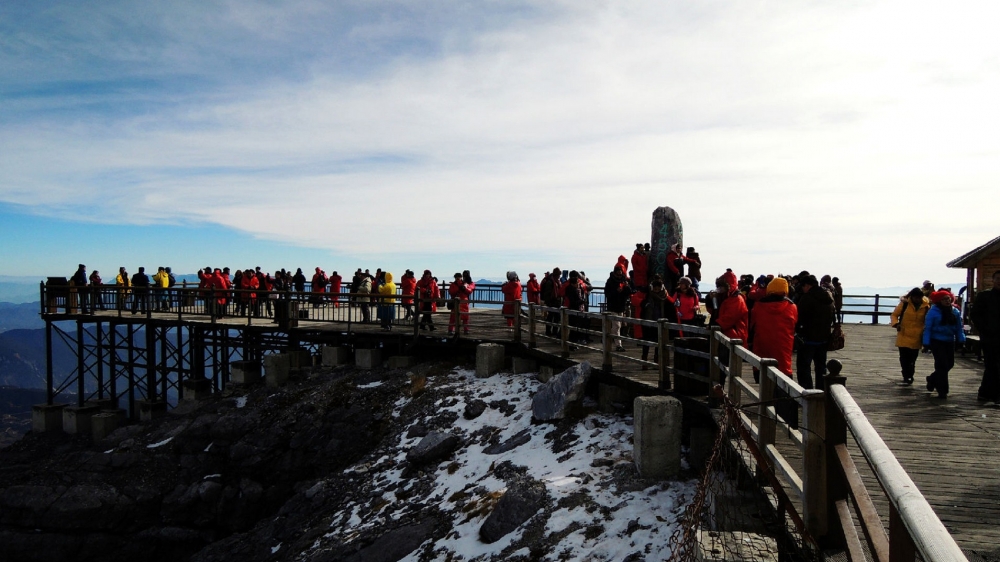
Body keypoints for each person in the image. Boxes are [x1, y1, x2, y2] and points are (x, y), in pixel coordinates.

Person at [749, 277, 797, 380]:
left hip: (762, 345)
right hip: (783, 345)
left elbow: (752, 325)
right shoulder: (791, 307)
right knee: (783, 371)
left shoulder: (758, 306)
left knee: (763, 373)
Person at [794, 275, 835, 390]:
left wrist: (798, 331)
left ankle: (808, 392)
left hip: (807, 339)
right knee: (821, 368)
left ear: (807, 285)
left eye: (803, 286)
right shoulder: (828, 297)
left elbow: (799, 317)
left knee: (803, 367)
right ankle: (821, 392)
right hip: (823, 339)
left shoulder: (807, 298)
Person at [923, 290, 965, 398]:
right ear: (939, 301)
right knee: (942, 365)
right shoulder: (933, 312)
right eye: (944, 299)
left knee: (950, 363)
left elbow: (958, 328)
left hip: (950, 340)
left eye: (948, 298)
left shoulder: (955, 311)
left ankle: (932, 379)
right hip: (936, 340)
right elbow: (928, 328)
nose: (947, 301)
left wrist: (961, 340)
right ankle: (943, 391)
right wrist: (926, 343)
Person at [890, 288, 929, 385]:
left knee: (912, 358)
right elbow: (894, 315)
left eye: (919, 298)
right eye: (915, 297)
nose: (917, 300)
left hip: (917, 335)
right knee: (904, 358)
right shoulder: (905, 304)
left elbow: (928, 319)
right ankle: (906, 376)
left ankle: (910, 375)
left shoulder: (926, 306)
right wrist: (896, 324)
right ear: (912, 297)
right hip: (904, 333)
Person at [972, 270, 1000, 402]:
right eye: (998, 279)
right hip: (990, 337)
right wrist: (984, 329)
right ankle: (986, 392)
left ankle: (992, 393)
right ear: (993, 280)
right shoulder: (985, 296)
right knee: (991, 365)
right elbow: (975, 315)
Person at [640, 275, 677, 364]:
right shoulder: (647, 297)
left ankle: (656, 361)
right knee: (646, 342)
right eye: (655, 287)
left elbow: (671, 310)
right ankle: (644, 360)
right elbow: (642, 307)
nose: (656, 289)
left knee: (659, 343)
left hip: (660, 322)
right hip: (649, 323)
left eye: (658, 287)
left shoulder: (666, 298)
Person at [604, 265, 632, 351]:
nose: (619, 275)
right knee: (616, 326)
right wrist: (616, 291)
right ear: (615, 273)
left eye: (621, 273)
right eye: (618, 274)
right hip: (613, 307)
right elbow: (607, 294)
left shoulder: (624, 280)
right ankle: (618, 345)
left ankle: (613, 341)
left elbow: (629, 292)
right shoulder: (610, 282)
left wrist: (626, 287)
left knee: (618, 326)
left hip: (621, 306)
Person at [564, 271, 588, 344]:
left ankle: (576, 342)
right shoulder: (570, 289)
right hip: (574, 309)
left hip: (580, 309)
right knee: (573, 328)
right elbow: (573, 301)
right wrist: (582, 301)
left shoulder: (579, 287)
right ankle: (572, 344)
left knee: (578, 327)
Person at [540, 268, 563, 337]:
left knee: (556, 317)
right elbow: (547, 293)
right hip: (552, 302)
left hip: (556, 302)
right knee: (551, 317)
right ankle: (549, 331)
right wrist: (548, 302)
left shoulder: (555, 281)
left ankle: (553, 331)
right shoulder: (550, 282)